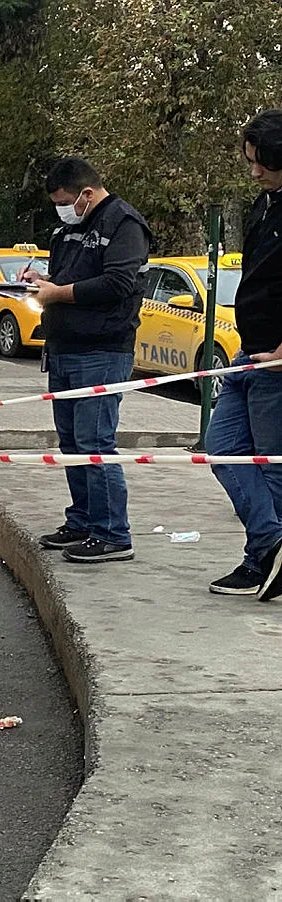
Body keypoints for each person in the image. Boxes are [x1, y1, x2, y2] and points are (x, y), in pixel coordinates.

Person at [20, 156, 151, 564]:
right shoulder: (70, 228)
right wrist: (42, 281)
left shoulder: (124, 225)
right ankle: (82, 521)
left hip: (102, 349)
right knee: (73, 444)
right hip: (64, 347)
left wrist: (56, 294)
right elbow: (68, 275)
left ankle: (113, 533)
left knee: (96, 444)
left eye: (65, 201)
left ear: (87, 194)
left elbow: (118, 283)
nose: (61, 209)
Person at [205, 110, 282, 599]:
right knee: (223, 447)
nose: (253, 171)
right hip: (249, 352)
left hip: (277, 361)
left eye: (262, 163)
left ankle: (262, 561)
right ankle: (272, 544)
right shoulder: (266, 204)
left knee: (274, 467)